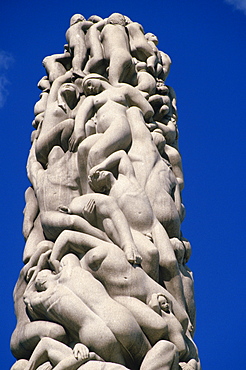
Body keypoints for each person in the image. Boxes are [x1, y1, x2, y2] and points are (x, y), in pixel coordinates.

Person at [49, 230, 190, 345]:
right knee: (159, 326)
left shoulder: (104, 245)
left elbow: (68, 235)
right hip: (123, 298)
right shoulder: (77, 279)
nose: (63, 266)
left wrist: (53, 259)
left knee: (181, 319)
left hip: (143, 286)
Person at [88, 149, 185, 302]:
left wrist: (101, 165)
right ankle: (154, 296)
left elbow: (121, 154)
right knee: (152, 254)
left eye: (99, 173)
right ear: (101, 188)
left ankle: (180, 306)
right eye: (96, 178)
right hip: (134, 231)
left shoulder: (126, 177)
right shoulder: (109, 197)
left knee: (170, 262)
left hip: (154, 225)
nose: (99, 174)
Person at [24, 264, 126, 366]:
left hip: (85, 336)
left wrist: (37, 268)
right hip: (99, 328)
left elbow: (26, 296)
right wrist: (44, 262)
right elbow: (60, 264)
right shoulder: (64, 280)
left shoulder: (41, 300)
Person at [68, 73, 154, 194]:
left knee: (96, 153)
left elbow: (147, 109)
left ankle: (108, 191)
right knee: (83, 149)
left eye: (89, 84)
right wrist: (79, 130)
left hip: (120, 125)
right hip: (103, 133)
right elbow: (81, 114)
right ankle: (88, 193)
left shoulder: (124, 90)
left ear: (98, 78)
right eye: (87, 89)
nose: (90, 89)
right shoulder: (92, 99)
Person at [27, 144, 110, 245]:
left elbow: (86, 161)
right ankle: (106, 239)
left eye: (59, 153)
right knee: (72, 221)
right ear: (47, 163)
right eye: (52, 154)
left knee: (104, 204)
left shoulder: (70, 169)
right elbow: (31, 162)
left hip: (73, 209)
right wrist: (35, 141)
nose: (55, 152)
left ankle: (109, 238)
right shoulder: (40, 176)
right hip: (51, 219)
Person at [126, 107, 182, 237]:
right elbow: (178, 207)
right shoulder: (169, 172)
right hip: (172, 216)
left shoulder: (139, 154)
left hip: (149, 211)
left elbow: (134, 112)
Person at [10, 241, 67, 360]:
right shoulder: (23, 281)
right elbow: (27, 297)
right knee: (56, 331)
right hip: (21, 335)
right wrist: (40, 262)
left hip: (29, 336)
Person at [60, 193, 142, 265]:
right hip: (67, 208)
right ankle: (127, 244)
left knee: (108, 223)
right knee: (107, 201)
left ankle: (125, 246)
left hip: (80, 203)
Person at [35, 70, 82, 167]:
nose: (67, 86)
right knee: (69, 123)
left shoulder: (73, 111)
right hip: (42, 145)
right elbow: (57, 82)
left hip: (56, 144)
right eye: (65, 86)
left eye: (72, 87)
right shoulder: (53, 104)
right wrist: (70, 74)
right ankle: (69, 152)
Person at [100, 13, 135, 85]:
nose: (122, 19)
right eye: (120, 18)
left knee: (113, 84)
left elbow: (97, 37)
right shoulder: (124, 30)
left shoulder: (107, 28)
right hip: (129, 58)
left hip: (117, 57)